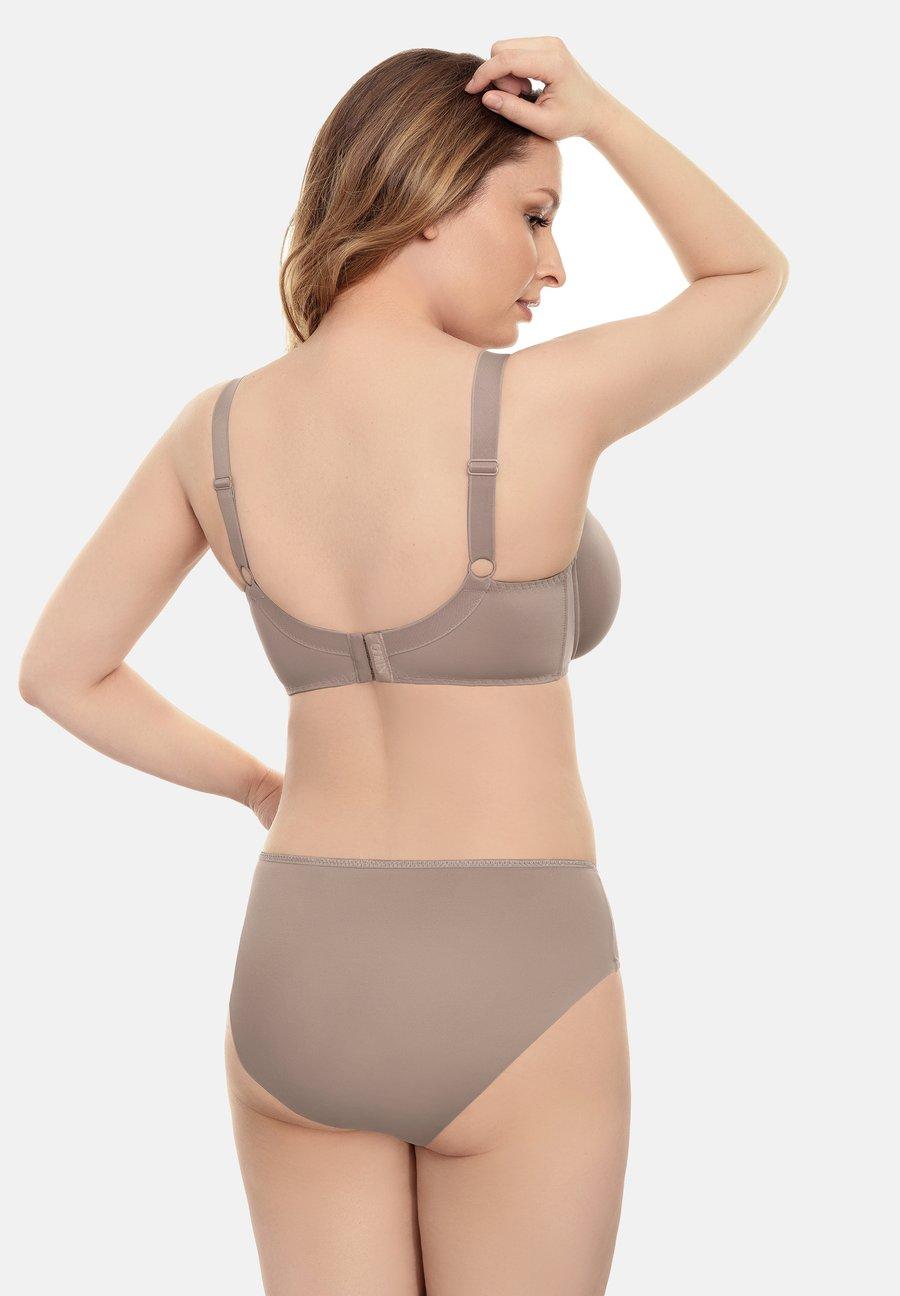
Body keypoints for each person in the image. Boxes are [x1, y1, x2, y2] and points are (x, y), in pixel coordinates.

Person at [18, 35, 788, 1296]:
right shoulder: (539, 404)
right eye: (535, 215)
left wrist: (259, 789)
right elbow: (749, 271)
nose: (555, 265)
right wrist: (597, 115)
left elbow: (62, 672)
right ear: (429, 196)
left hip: (300, 963)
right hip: (516, 966)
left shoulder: (216, 432)